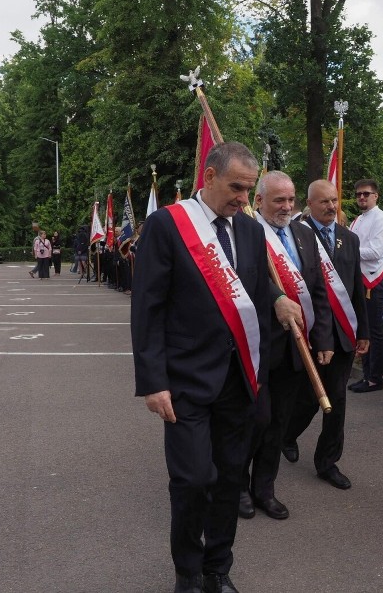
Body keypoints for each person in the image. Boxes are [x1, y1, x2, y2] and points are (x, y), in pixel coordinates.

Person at [131, 141, 273, 593]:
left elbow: (251, 295)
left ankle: (217, 570)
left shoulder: (250, 231)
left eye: (249, 190)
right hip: (186, 382)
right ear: (208, 176)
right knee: (193, 480)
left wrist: (281, 298)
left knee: (230, 478)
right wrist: (153, 381)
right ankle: (187, 572)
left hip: (239, 379)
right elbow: (147, 309)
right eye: (236, 187)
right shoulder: (167, 226)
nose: (243, 199)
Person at [241, 171, 333, 521]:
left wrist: (323, 338)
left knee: (278, 423)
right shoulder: (246, 232)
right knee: (255, 420)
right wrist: (276, 296)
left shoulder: (304, 234)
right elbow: (244, 280)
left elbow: (319, 290)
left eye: (291, 199)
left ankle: (264, 489)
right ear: (259, 200)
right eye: (279, 199)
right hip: (257, 344)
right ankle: (237, 485)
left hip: (296, 347)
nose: (287, 206)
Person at [282, 179, 369, 491]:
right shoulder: (295, 236)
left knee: (338, 400)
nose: (332, 207)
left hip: (343, 333)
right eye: (324, 202)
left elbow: (357, 287)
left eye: (334, 200)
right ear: (310, 203)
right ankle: (287, 435)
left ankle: (327, 462)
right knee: (306, 398)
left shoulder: (349, 238)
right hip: (309, 334)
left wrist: (363, 330)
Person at [347, 179, 383, 393]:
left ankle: (374, 377)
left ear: (376, 196)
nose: (362, 197)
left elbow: (376, 252)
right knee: (362, 329)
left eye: (366, 193)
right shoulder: (357, 220)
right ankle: (366, 374)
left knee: (373, 330)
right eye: (358, 194)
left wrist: (348, 251)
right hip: (359, 278)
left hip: (373, 281)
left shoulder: (382, 219)